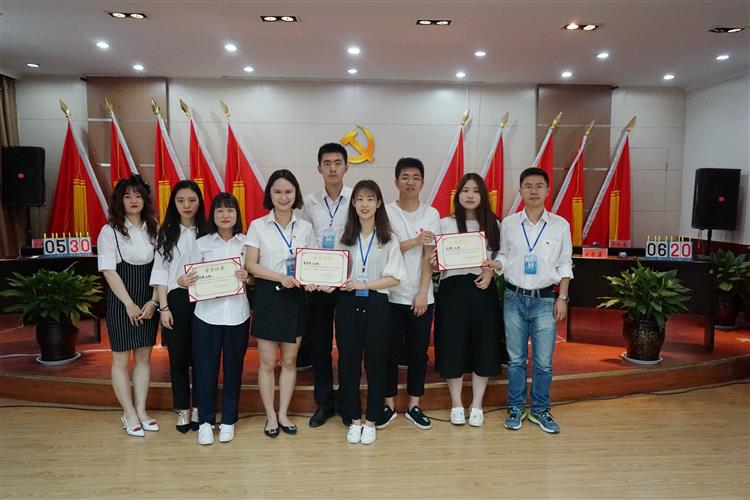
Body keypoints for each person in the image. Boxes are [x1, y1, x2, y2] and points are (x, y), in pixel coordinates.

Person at [487, 167, 573, 434]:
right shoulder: (509, 224)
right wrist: (495, 264)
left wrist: (563, 297)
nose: (533, 191)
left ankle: (540, 409)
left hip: (546, 300)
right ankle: (515, 407)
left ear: (547, 190)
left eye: (539, 186)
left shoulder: (560, 225)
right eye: (528, 186)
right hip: (514, 298)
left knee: (544, 362)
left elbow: (565, 263)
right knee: (515, 360)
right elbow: (504, 255)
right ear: (520, 190)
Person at [335, 180, 406, 445]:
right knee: (348, 363)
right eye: (360, 199)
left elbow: (395, 278)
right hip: (347, 304)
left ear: (378, 203)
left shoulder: (388, 238)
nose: (365, 204)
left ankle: (372, 420)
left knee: (376, 363)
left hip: (377, 304)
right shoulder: (344, 238)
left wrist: (366, 284)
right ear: (353, 204)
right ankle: (354, 419)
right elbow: (335, 272)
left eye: (370, 199)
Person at [245, 170, 314, 438]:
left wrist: (311, 280)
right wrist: (280, 277)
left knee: (289, 360)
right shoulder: (258, 226)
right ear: (269, 195)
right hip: (268, 296)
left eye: (288, 191)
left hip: (295, 297)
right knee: (266, 362)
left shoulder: (305, 227)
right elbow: (251, 265)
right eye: (277, 192)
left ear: (295, 194)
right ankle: (270, 415)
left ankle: (283, 413)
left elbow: (312, 261)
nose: (283, 197)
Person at [433, 173, 502, 428]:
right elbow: (435, 261)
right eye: (465, 190)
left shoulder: (494, 223)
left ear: (483, 195)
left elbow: (502, 255)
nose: (470, 195)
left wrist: (492, 271)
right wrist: (435, 262)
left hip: (482, 288)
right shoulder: (445, 223)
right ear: (458, 195)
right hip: (452, 290)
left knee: (483, 345)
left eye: (475, 191)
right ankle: (456, 404)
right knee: (452, 344)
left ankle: (477, 404)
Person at [185, 193, 251, 445]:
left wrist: (248, 277)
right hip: (206, 315)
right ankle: (205, 422)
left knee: (234, 370)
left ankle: (228, 421)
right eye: (220, 211)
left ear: (237, 215)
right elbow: (185, 277)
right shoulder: (201, 243)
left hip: (237, 315)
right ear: (212, 215)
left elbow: (255, 277)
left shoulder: (246, 243)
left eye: (230, 210)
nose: (225, 215)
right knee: (205, 370)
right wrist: (185, 280)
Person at [97, 175, 160, 437]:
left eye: (138, 195)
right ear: (119, 201)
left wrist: (154, 301)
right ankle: (129, 413)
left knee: (144, 355)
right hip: (122, 300)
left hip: (149, 300)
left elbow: (162, 268)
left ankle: (142, 410)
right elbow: (108, 271)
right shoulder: (109, 231)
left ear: (145, 199)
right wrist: (129, 304)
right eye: (127, 196)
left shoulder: (155, 227)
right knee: (121, 358)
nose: (134, 200)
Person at [380, 158, 440, 430]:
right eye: (405, 177)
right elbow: (385, 249)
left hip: (420, 296)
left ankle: (415, 405)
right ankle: (388, 404)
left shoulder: (431, 214)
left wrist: (423, 291)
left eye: (416, 178)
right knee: (389, 353)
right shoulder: (386, 212)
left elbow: (429, 255)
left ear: (422, 183)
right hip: (390, 295)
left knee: (418, 354)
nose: (410, 182)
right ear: (396, 182)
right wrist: (415, 241)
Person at [301, 143, 353, 428]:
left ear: (346, 166)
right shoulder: (309, 203)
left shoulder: (357, 198)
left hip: (346, 284)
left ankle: (346, 402)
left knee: (347, 345)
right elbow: (306, 243)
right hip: (319, 286)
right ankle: (324, 403)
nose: (333, 168)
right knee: (319, 346)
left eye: (337, 163)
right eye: (327, 163)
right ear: (319, 168)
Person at [150, 180, 206, 433]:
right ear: (174, 203)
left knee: (202, 358)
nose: (187, 205)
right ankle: (183, 408)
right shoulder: (166, 232)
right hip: (176, 301)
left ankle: (200, 408)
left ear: (200, 202)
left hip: (205, 301)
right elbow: (160, 273)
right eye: (181, 200)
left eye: (192, 200)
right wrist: (164, 308)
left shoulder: (208, 231)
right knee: (178, 358)